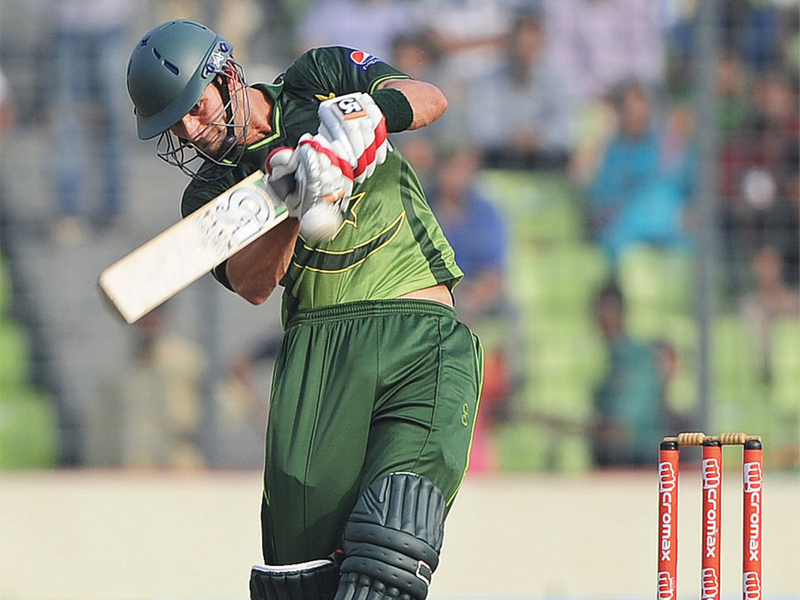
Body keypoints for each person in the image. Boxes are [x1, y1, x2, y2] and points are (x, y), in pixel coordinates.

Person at [125, 19, 483, 600]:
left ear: (226, 73)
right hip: (320, 353)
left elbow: (430, 97)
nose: (193, 132)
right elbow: (254, 284)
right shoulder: (210, 194)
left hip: (420, 328)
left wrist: (364, 121)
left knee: (396, 539)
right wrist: (288, 201)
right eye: (177, 126)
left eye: (196, 107)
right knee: (301, 578)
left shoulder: (316, 78)